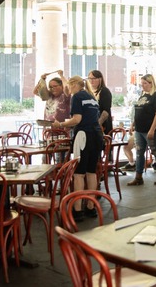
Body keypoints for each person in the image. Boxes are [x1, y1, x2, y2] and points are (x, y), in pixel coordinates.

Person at [51, 76, 103, 222]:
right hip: (97, 135)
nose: (67, 88)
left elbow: (77, 119)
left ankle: (78, 209)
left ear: (74, 84)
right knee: (91, 172)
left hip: (83, 136)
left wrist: (60, 125)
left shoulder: (77, 96)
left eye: (68, 85)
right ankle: (91, 207)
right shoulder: (91, 97)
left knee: (79, 174)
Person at [127, 74, 156, 186]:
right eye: (141, 83)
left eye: (144, 83)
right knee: (139, 153)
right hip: (139, 130)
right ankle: (138, 177)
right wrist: (133, 124)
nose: (142, 86)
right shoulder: (142, 96)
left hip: (151, 130)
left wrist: (152, 130)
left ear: (151, 83)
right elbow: (137, 112)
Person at [87, 70, 113, 136]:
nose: (91, 81)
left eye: (94, 78)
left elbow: (105, 111)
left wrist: (98, 124)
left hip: (102, 125)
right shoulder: (88, 92)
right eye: (90, 78)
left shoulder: (104, 91)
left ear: (100, 79)